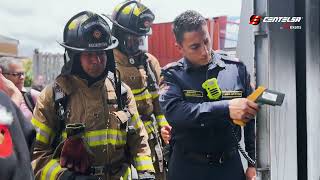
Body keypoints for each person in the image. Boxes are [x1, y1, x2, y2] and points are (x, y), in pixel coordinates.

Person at [31, 11, 155, 180]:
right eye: (89, 54)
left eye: (101, 53)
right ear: (75, 56)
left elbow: (139, 143)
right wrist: (66, 177)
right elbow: (36, 154)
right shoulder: (54, 96)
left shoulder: (122, 92)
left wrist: (147, 173)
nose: (96, 61)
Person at [159, 10, 258, 180]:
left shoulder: (235, 69)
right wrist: (226, 108)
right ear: (179, 47)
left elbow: (253, 119)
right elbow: (176, 113)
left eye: (206, 41)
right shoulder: (172, 75)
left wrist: (253, 163)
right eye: (195, 47)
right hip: (187, 168)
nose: (204, 51)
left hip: (228, 166)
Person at [105, 1, 169, 179]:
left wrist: (163, 124)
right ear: (117, 33)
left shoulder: (150, 62)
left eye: (141, 38)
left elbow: (158, 103)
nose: (137, 43)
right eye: (132, 38)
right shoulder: (105, 63)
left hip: (151, 146)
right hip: (119, 148)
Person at [0, 69, 36, 180]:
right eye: (16, 74)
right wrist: (14, 99)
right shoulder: (4, 101)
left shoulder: (32, 96)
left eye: (23, 73)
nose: (21, 77)